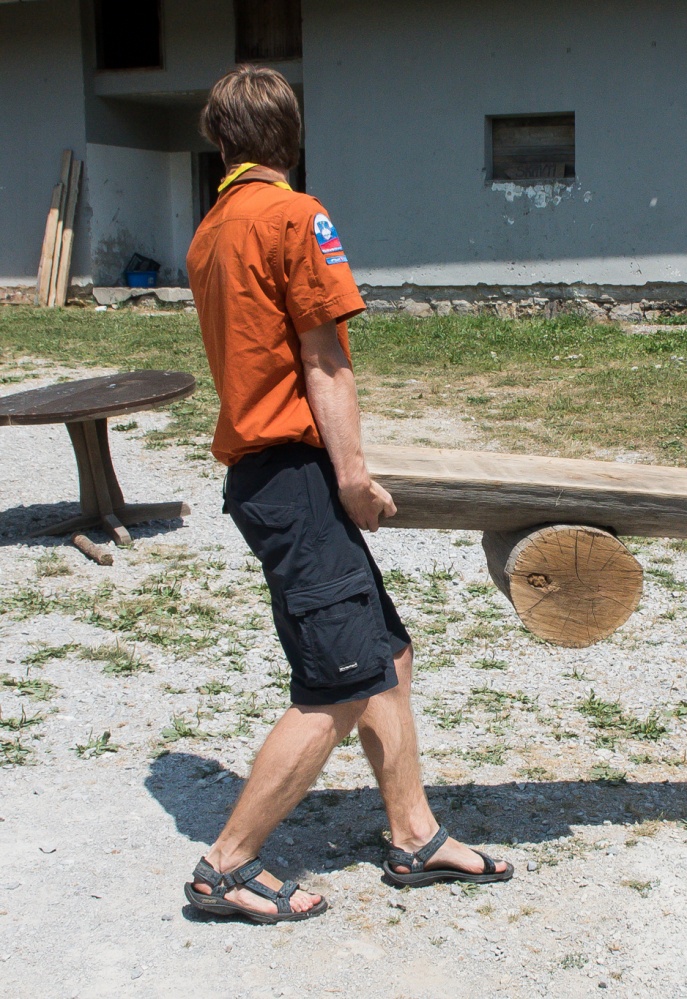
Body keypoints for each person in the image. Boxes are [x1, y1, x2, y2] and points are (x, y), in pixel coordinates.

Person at [183, 65, 512, 923]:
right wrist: (354, 475)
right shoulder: (296, 216)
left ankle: (413, 833)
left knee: (385, 654)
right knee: (337, 684)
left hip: (262, 480)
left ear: (221, 143)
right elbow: (323, 357)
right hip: (293, 476)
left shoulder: (211, 228)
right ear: (290, 137)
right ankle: (225, 865)